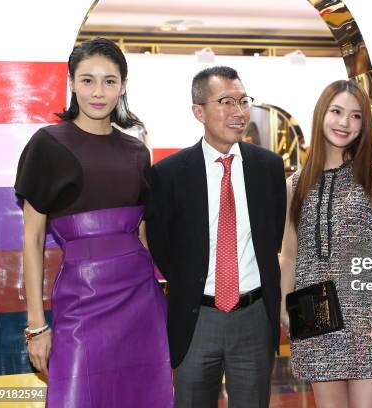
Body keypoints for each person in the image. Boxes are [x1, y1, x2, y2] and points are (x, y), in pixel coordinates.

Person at [15, 38, 173, 407]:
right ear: (71, 82)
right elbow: (32, 237)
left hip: (140, 300)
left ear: (123, 85)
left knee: (142, 395)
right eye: (87, 80)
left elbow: (144, 233)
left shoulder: (137, 150)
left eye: (108, 81)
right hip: (81, 300)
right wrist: (37, 326)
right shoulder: (47, 145)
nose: (98, 92)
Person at [146, 66, 286, 408]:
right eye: (226, 101)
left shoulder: (268, 167)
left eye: (243, 101)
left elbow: (273, 234)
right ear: (199, 111)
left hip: (254, 317)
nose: (239, 112)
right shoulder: (169, 174)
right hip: (196, 318)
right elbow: (161, 245)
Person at [280, 80, 372, 408]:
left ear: (364, 124)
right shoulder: (295, 183)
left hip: (367, 313)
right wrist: (284, 309)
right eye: (337, 111)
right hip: (312, 311)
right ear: (322, 114)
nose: (344, 123)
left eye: (355, 116)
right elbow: (291, 256)